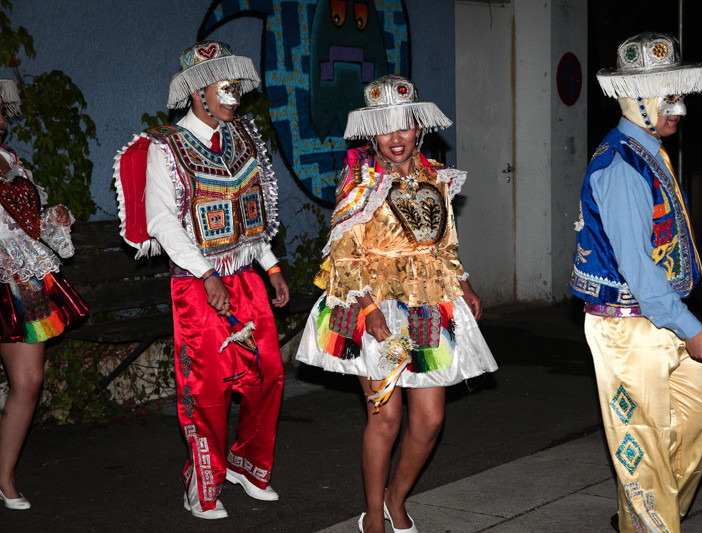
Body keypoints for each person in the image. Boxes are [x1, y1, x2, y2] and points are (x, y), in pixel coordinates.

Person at [296, 74, 497, 533]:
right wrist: (368, 310)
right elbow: (344, 254)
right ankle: (373, 512)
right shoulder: (360, 182)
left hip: (428, 306)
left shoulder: (436, 177)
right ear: (372, 133)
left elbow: (443, 245)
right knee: (386, 417)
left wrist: (464, 285)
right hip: (373, 306)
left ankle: (396, 497)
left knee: (430, 420)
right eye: (384, 127)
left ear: (417, 126)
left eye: (403, 124)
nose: (395, 137)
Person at [113, 41, 288, 520]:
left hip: (246, 279)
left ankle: (248, 465)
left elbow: (251, 214)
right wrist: (206, 272)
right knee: (209, 389)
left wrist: (271, 266)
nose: (234, 98)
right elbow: (161, 220)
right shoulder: (164, 147)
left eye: (236, 89)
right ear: (198, 92)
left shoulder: (243, 137)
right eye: (225, 89)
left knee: (267, 375)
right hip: (197, 285)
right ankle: (202, 483)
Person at [568, 33, 702, 532]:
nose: (679, 108)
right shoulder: (621, 165)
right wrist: (694, 329)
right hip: (626, 328)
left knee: (698, 422)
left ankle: (641, 520)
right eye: (669, 96)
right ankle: (649, 523)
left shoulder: (649, 150)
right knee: (644, 443)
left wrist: (686, 326)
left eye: (679, 95)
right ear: (639, 100)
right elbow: (637, 268)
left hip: (663, 316)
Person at [0, 78, 88, 510]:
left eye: (1, 112)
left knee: (29, 380)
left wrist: (54, 219)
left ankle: (3, 476)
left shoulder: (13, 163)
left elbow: (29, 228)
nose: (0, 121)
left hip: (23, 280)